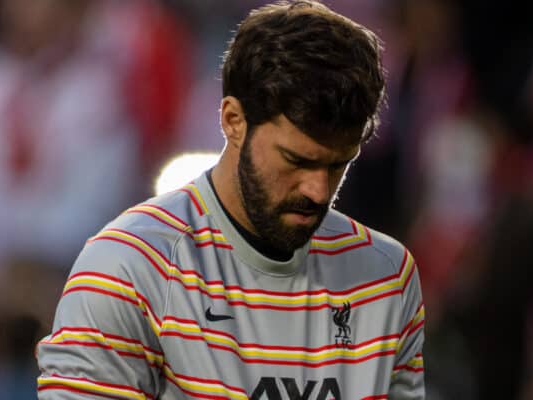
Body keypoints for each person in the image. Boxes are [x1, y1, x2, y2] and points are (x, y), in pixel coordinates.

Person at [36, 1, 426, 399]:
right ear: (233, 121)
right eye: (296, 161)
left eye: (339, 164)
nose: (318, 190)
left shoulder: (387, 277)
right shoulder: (127, 268)